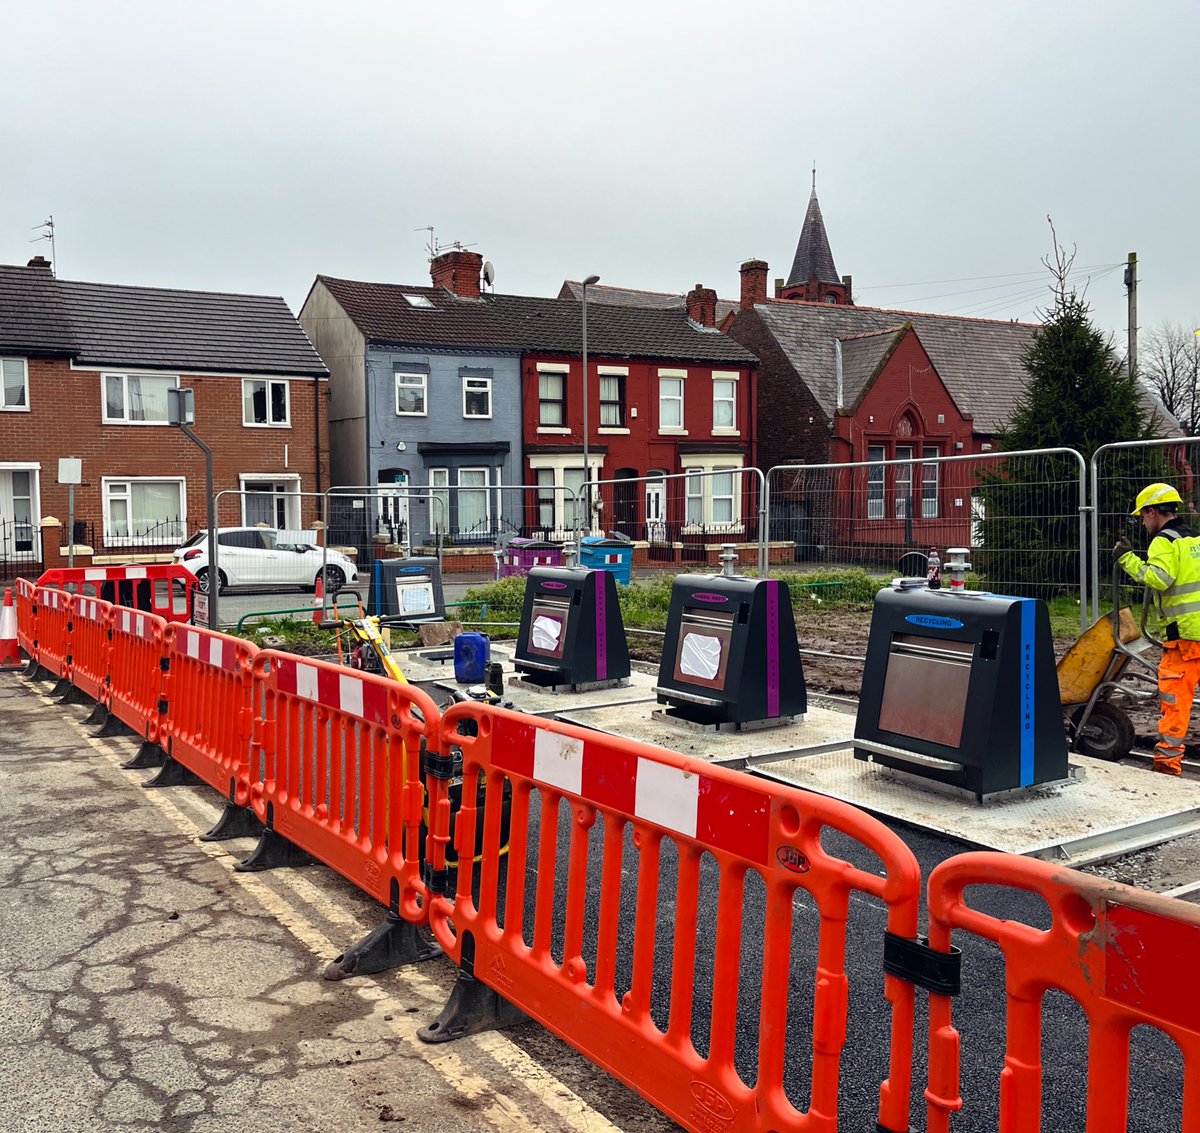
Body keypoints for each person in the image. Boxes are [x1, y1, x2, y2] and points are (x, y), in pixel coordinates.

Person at [1114, 482, 1200, 776]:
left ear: (1152, 512)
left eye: (1143, 516)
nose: (1142, 522)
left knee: (1174, 704)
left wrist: (1127, 560)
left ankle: (1167, 768)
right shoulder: (1196, 538)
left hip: (1184, 640)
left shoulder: (1163, 541)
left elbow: (1159, 579)